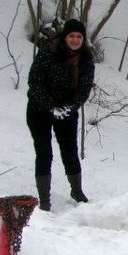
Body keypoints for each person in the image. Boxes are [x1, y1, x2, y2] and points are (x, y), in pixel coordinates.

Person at [26, 19, 95, 211]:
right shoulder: (48, 52)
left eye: (79, 36)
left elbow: (83, 91)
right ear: (65, 37)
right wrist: (50, 106)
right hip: (39, 109)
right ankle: (44, 200)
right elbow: (34, 81)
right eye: (71, 36)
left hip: (67, 111)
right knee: (44, 152)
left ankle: (77, 190)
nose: (75, 40)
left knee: (69, 151)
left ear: (83, 39)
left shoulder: (86, 61)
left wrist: (67, 108)